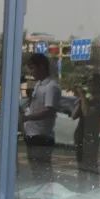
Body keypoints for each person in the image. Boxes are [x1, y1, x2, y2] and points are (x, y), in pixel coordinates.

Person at [22, 52, 62, 185]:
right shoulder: (39, 84)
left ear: (42, 67)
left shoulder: (51, 87)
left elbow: (49, 111)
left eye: (33, 68)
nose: (31, 72)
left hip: (42, 135)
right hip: (31, 133)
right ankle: (39, 191)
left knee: (42, 170)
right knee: (35, 170)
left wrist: (27, 118)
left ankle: (46, 192)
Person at [70, 73, 100, 191]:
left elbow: (87, 113)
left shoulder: (99, 101)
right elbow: (74, 115)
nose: (88, 85)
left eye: (91, 82)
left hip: (90, 136)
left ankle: (93, 189)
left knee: (91, 165)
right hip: (81, 134)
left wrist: (82, 96)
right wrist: (81, 98)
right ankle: (81, 188)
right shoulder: (88, 99)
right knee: (81, 165)